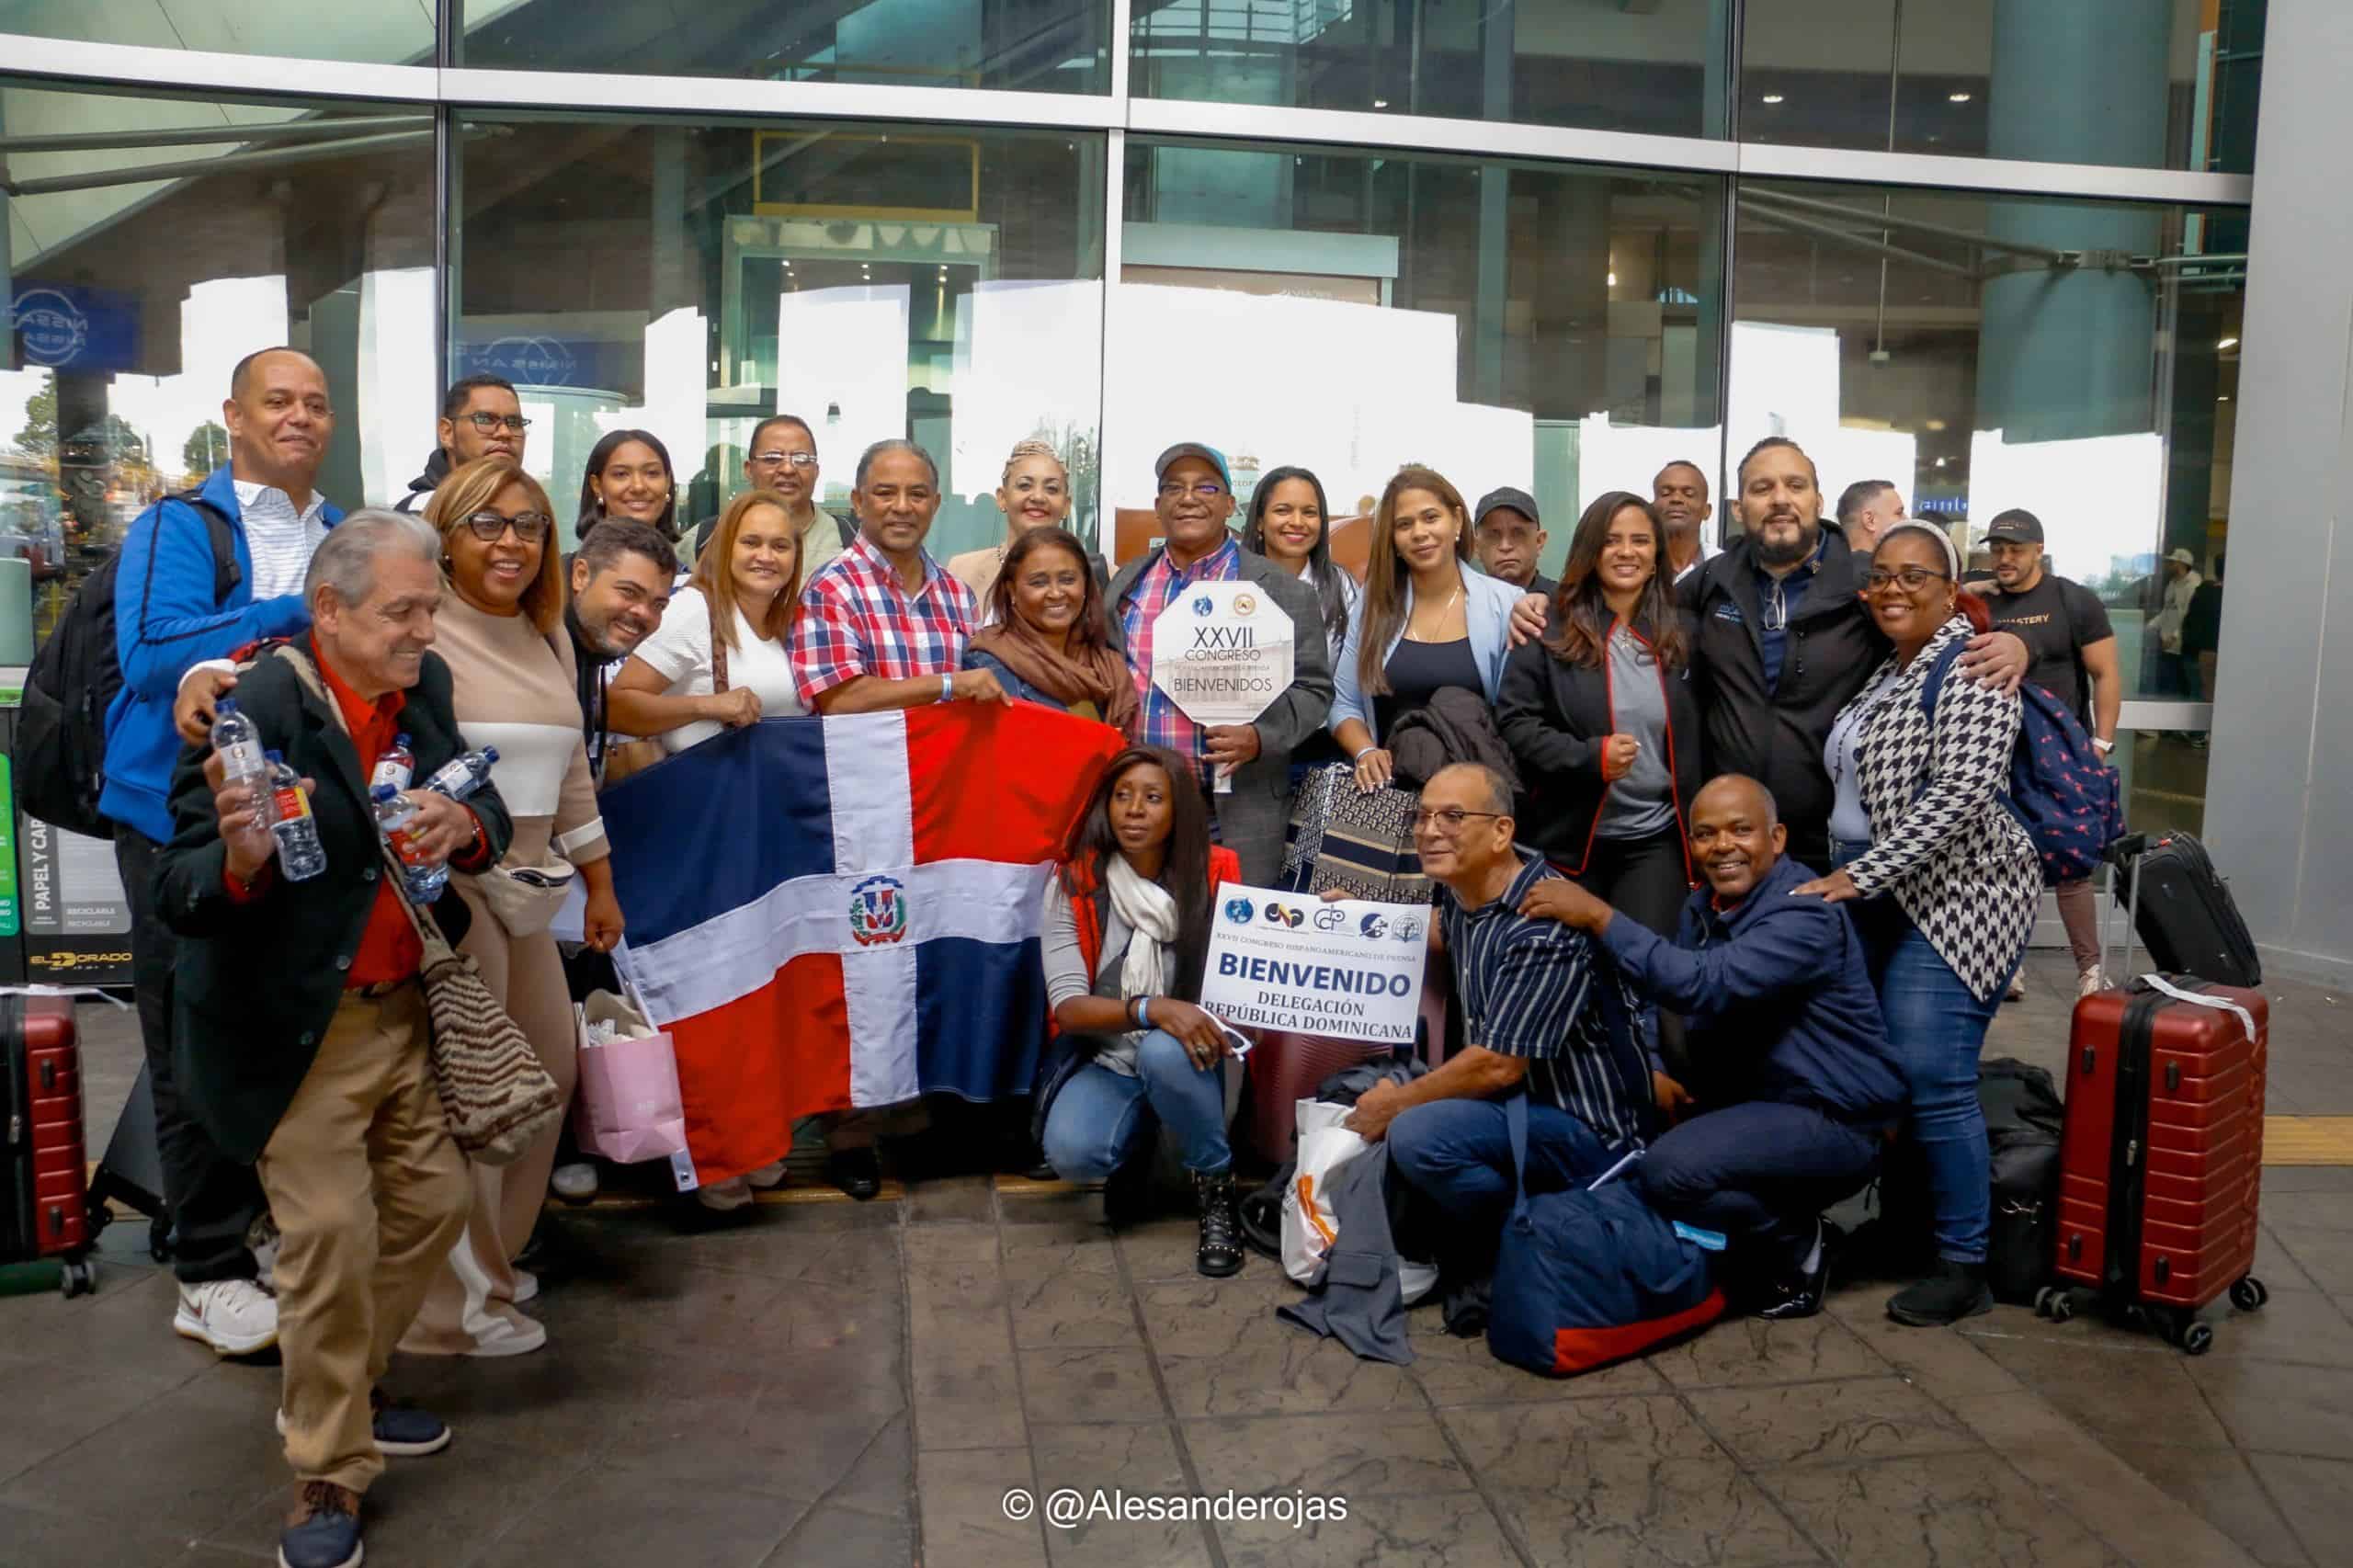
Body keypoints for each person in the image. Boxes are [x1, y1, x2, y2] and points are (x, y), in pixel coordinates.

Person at [155, 510, 511, 1568]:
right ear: (329, 612)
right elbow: (179, 887)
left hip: (404, 1010)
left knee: (436, 1202)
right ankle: (326, 1468)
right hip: (295, 1032)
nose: (426, 628)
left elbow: (471, 790)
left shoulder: (424, 691)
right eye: (404, 610)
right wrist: (237, 859)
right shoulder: (249, 707)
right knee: (327, 1240)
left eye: (430, 606)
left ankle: (342, 1380)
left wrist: (468, 825)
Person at [107, 347, 346, 1356]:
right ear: (233, 417)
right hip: (179, 819)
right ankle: (203, 1267)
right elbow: (153, 653)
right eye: (277, 401)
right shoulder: (178, 524)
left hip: (297, 821)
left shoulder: (340, 531)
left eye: (315, 404)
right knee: (190, 1027)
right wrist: (298, 613)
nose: (298, 417)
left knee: (281, 1025)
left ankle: (260, 1230)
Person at [1524, 776, 1904, 1320]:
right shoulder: (1705, 905)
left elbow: (1703, 982)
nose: (1721, 846)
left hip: (1835, 1118)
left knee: (1671, 1171)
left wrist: (1601, 916)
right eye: (1705, 835)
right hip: (1759, 1103)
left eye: (1740, 830)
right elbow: (1661, 1000)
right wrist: (1654, 1065)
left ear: (1776, 838)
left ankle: (1796, 1241)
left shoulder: (1805, 913)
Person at [402, 458, 623, 1357]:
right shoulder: (422, 632)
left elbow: (570, 771)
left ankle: (495, 1258)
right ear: (447, 535)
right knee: (473, 1097)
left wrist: (601, 881)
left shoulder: (548, 635)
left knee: (548, 1077)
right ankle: (449, 1311)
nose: (510, 541)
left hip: (531, 886)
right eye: (487, 523)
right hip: (449, 891)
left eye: (528, 524)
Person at [1798, 521, 2040, 1328]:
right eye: (1881, 577)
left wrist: (1855, 875)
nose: (1895, 588)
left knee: (1934, 1083)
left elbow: (1963, 792)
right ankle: (1907, 1232)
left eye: (1915, 576)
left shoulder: (1972, 664)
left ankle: (1963, 1261)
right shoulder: (1889, 671)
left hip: (1959, 902)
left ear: (1949, 589)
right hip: (1888, 903)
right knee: (1892, 1078)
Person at [791, 438, 1000, 1197]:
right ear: (859, 501)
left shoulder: (953, 593)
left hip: (938, 809)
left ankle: (906, 1113)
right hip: (856, 812)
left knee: (920, 953)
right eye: (885, 493)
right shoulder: (833, 588)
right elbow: (837, 694)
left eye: (917, 494)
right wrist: (945, 685)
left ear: (936, 503)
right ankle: (846, 1130)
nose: (902, 508)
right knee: (855, 956)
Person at [1358, 763, 1654, 1298]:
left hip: (1583, 1129)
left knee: (1417, 1133)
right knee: (1379, 1094)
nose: (1428, 831)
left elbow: (1498, 1063)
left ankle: (1527, 1237)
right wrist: (1358, 915)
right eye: (1422, 817)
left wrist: (1396, 1104)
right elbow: (1449, 932)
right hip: (1514, 1109)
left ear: (1501, 832)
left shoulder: (1542, 919)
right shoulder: (1466, 890)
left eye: (1451, 816)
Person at [1680, 437, 2028, 871]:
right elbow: (1641, 615)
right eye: (1762, 488)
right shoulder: (1714, 580)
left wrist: (2013, 643)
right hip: (1735, 838)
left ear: (1818, 500)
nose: (1781, 499)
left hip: (1831, 838)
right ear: (1738, 508)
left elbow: (1945, 621)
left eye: (1795, 485)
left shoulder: (1869, 580)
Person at [1035, 746, 1246, 1276]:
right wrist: (1151, 1007)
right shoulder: (1075, 881)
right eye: (1122, 797)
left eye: (1153, 798)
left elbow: (1247, 979)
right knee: (1074, 1152)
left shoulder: (1217, 874)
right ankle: (1136, 1155)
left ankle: (1216, 1188)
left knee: (1164, 1051)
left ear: (1179, 811)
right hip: (1109, 1059)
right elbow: (1070, 1008)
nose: (1134, 810)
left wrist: (1316, 920)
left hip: (1193, 1056)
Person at [1105, 442, 1334, 887]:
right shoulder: (1126, 584)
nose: (1188, 497)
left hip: (1233, 812)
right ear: (1158, 506)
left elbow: (1315, 691)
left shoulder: (1284, 592)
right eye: (1174, 487)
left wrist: (1259, 738)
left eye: (1206, 487)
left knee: (1224, 944)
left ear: (1230, 504)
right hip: (1140, 816)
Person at [1497, 490, 1699, 944]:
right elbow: (1515, 722)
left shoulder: (1684, 632)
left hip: (1656, 840)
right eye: (1612, 541)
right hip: (1568, 841)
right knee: (1572, 979)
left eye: (1641, 541)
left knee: (1645, 972)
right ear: (1591, 550)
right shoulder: (1546, 627)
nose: (1627, 552)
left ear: (1656, 554)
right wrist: (1589, 758)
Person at [1975, 508, 2122, 996]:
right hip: (1997, 753)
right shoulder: (1981, 603)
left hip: (2062, 754)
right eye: (1997, 548)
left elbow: (2105, 674)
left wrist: (2100, 743)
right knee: (2002, 861)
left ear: (2039, 549)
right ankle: (2005, 965)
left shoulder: (2072, 600)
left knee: (2071, 865)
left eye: (2015, 549)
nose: (2004, 558)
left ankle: (2090, 972)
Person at [1329, 466, 1526, 794]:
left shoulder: (1505, 604)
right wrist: (1365, 750)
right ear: (1392, 539)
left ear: (1457, 522)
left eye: (1431, 518)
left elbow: (1518, 717)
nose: (1419, 533)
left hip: (1476, 802)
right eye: (1404, 524)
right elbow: (1344, 701)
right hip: (1391, 798)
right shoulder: (1374, 604)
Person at [612, 487, 809, 760]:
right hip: (710, 790)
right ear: (726, 547)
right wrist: (708, 706)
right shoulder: (694, 610)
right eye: (751, 542)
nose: (766, 557)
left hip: (773, 790)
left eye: (780, 546)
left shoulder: (790, 621)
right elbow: (616, 706)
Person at [963, 524, 1137, 729]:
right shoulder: (986, 666)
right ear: (1012, 591)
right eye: (1039, 582)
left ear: (1085, 585)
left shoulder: (1107, 664)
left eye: (1067, 580)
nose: (1055, 593)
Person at [564, 518, 677, 783]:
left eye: (658, 605)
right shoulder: (537, 638)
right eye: (629, 592)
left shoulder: (585, 646)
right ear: (581, 575)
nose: (643, 613)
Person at [693, 413, 848, 578]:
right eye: (773, 458)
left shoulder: (846, 541)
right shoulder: (705, 538)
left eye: (801, 459)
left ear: (816, 471)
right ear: (749, 469)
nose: (788, 469)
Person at [1241, 463, 1358, 665]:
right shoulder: (1232, 580)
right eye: (1283, 510)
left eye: (1309, 512)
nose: (1297, 522)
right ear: (1259, 521)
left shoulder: (1340, 585)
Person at [947, 438, 1074, 611]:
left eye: (1051, 489)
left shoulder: (1100, 577)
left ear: (1066, 505)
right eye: (1025, 486)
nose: (1038, 497)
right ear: (1002, 498)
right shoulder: (961, 572)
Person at [392, 375, 526, 514]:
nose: (505, 432)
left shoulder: (529, 511)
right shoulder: (420, 520)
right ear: (447, 433)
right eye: (485, 420)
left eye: (514, 423)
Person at [576, 427, 678, 544]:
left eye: (651, 473)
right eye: (621, 474)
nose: (638, 487)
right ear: (597, 486)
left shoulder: (683, 561)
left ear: (668, 482)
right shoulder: (568, 563)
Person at [1471, 485, 1553, 598]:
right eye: (1493, 536)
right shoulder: (1464, 606)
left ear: (1539, 541)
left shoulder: (1566, 605)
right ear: (1476, 547)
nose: (1505, 546)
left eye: (1518, 534)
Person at [2181, 553, 2223, 744]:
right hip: (2218, 650)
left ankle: (2199, 733)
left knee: (2203, 692)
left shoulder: (2203, 592)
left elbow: (2189, 619)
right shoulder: (2233, 595)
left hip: (2200, 650)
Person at [2154, 545, 2204, 699]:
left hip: (2181, 648)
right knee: (2166, 688)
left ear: (2182, 564)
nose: (2170, 565)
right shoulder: (2172, 584)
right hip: (2166, 645)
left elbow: (2188, 616)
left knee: (2179, 690)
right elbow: (2166, 610)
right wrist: (2150, 627)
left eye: (2173, 562)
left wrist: (2174, 637)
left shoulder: (2194, 585)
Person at [1651, 460, 1713, 585]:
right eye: (1666, 493)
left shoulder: (1727, 569)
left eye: (1689, 494)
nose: (1676, 499)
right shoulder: (1637, 565)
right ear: (1652, 508)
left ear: (1707, 511)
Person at [1834, 479, 1904, 555]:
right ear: (1870, 520)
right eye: (1899, 513)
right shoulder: (1875, 566)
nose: (1906, 519)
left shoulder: (1827, 564)